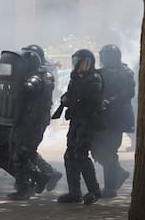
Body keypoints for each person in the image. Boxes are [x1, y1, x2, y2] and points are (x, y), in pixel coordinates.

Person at [0, 50, 51, 200]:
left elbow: (28, 88)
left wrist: (13, 82)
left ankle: (25, 188)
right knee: (17, 152)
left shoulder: (38, 77)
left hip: (32, 122)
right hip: (24, 120)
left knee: (20, 154)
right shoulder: (39, 75)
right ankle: (38, 178)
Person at [55, 49, 103, 204]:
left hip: (88, 121)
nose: (77, 64)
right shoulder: (75, 79)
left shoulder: (94, 78)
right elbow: (71, 97)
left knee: (80, 155)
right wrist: (66, 100)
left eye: (80, 61)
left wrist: (74, 99)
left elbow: (92, 100)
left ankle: (94, 191)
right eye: (75, 61)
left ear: (88, 62)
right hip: (76, 121)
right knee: (69, 156)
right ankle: (74, 193)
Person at [91, 45, 134, 198]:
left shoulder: (125, 72)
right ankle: (118, 173)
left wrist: (110, 101)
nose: (104, 59)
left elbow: (129, 92)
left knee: (109, 150)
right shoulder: (100, 72)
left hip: (117, 119)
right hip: (101, 117)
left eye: (107, 56)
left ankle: (110, 188)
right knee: (96, 149)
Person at [21, 45, 63, 191]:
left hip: (35, 116)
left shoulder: (42, 74)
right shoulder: (44, 71)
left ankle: (45, 175)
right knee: (27, 149)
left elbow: (29, 90)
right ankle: (41, 176)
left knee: (25, 149)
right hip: (34, 115)